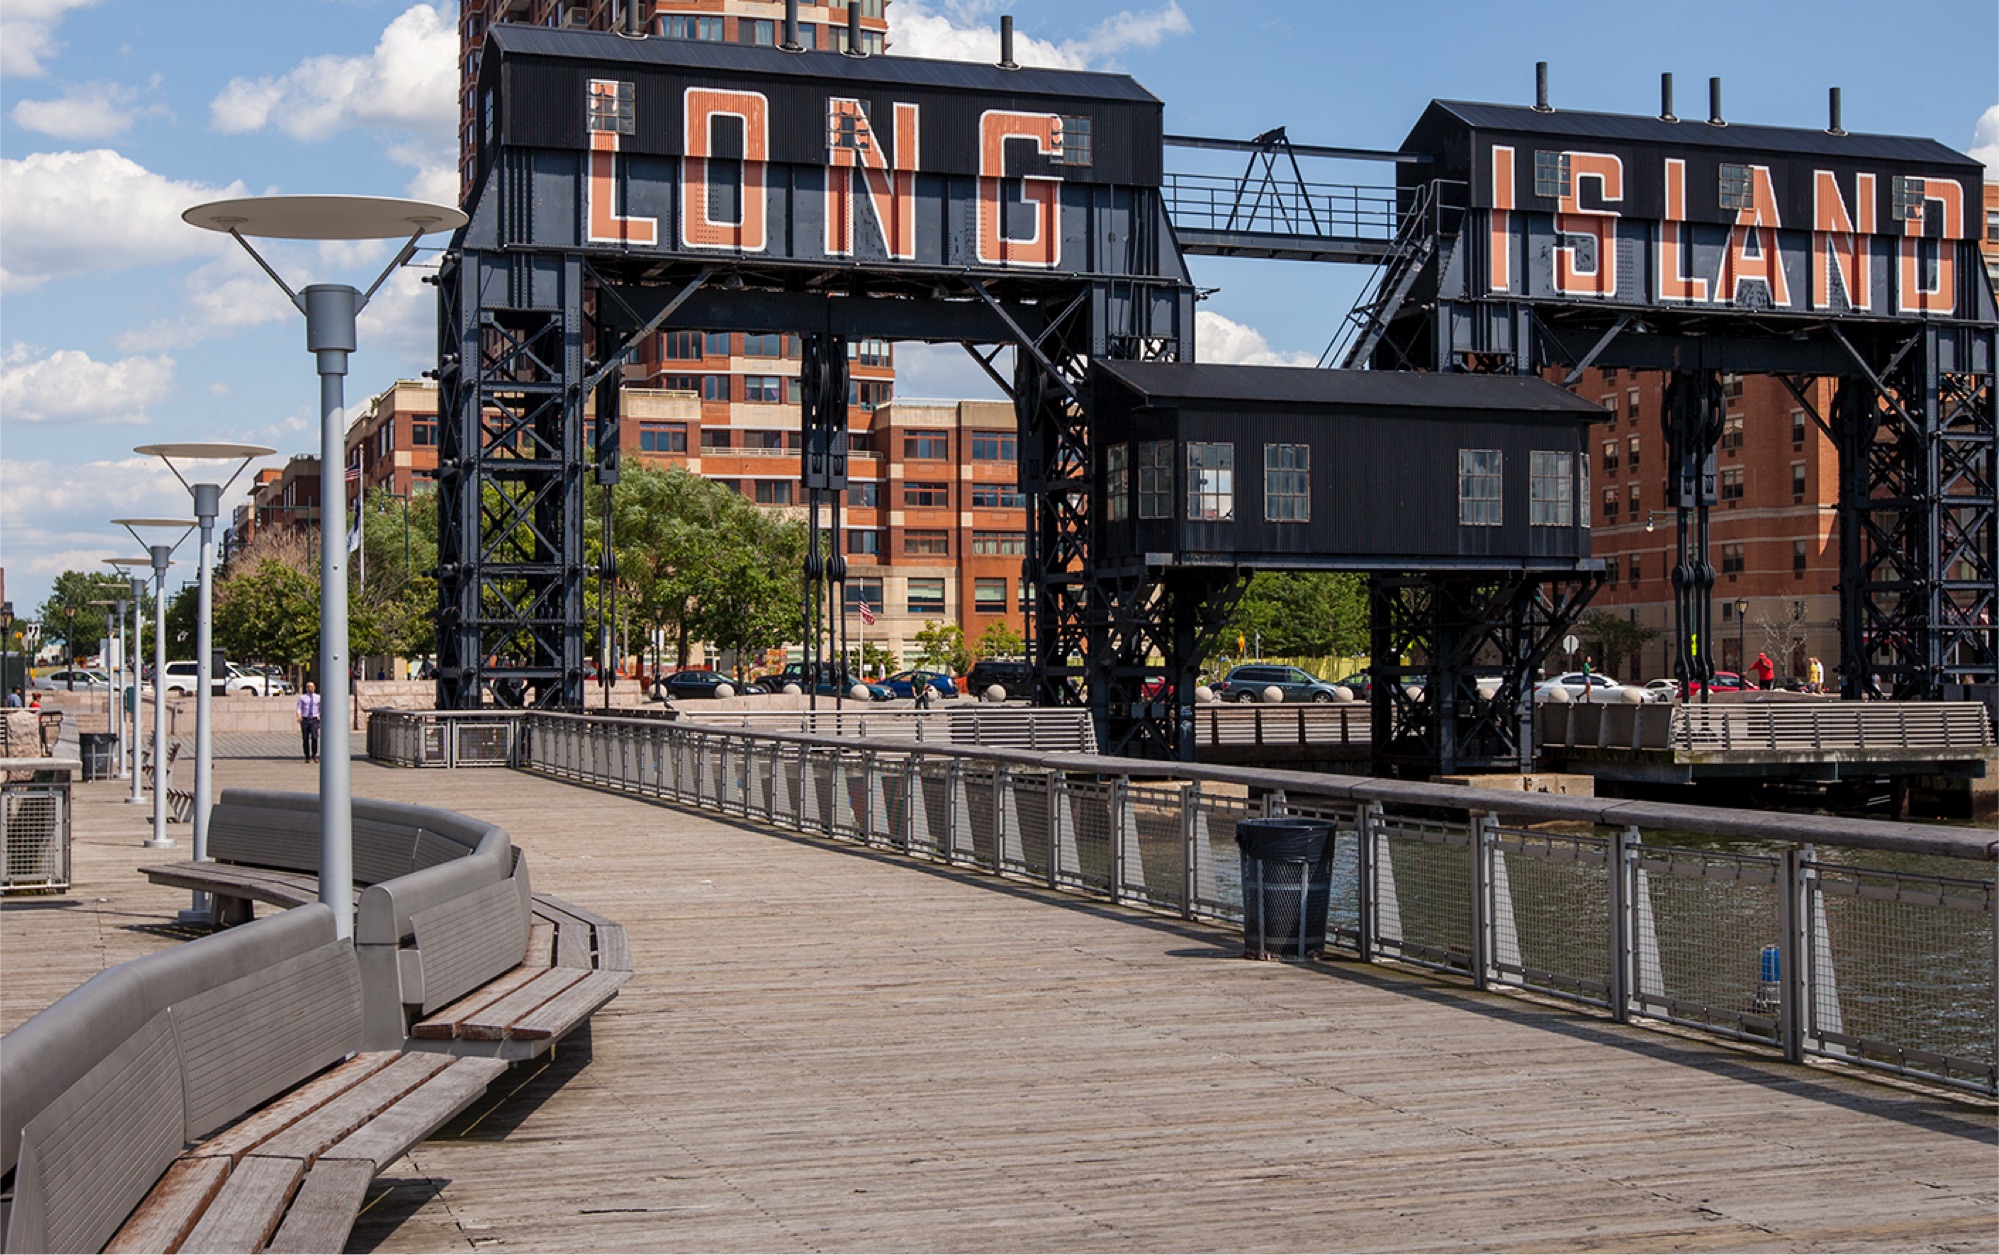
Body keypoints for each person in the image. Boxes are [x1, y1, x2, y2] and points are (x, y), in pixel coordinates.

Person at [297, 682, 321, 762]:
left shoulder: (318, 697)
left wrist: (320, 717)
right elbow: (299, 708)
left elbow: (320, 708)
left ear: (314, 688)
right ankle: (307, 756)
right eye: (308, 687)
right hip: (305, 719)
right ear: (306, 688)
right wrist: (299, 716)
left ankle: (314, 754)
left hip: (314, 719)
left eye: (312, 687)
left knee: (314, 737)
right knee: (305, 738)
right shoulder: (302, 698)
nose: (310, 688)